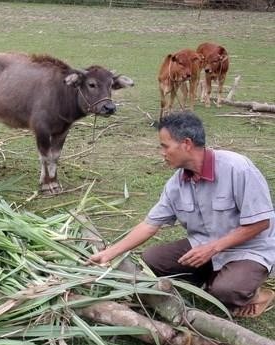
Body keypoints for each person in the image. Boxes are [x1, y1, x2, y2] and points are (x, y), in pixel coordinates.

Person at [89, 111, 275, 318]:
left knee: (226, 291)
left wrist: (213, 248)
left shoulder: (237, 168)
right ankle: (214, 277)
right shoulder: (177, 183)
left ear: (186, 144)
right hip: (203, 245)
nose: (162, 152)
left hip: (248, 249)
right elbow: (150, 224)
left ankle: (256, 294)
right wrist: (109, 253)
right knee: (152, 259)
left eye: (165, 146)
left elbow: (260, 223)